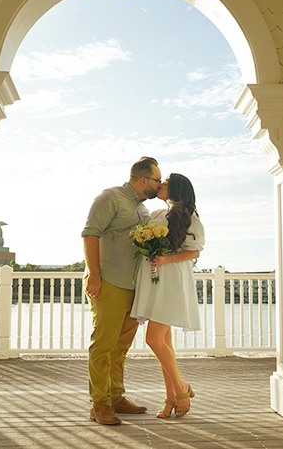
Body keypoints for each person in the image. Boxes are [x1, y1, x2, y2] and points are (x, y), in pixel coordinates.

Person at [82, 156, 161, 425]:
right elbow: (90, 233)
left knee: (121, 347)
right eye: (157, 180)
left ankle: (116, 397)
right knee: (103, 345)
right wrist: (94, 274)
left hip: (133, 286)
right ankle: (99, 404)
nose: (159, 185)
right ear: (143, 180)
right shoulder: (110, 198)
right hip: (109, 283)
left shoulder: (142, 208)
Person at [131, 173, 205, 419]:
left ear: (176, 189)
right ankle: (171, 396)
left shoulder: (187, 216)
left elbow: (194, 251)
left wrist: (165, 259)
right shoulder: (157, 214)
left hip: (171, 281)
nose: (160, 185)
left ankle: (181, 388)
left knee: (153, 339)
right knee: (166, 344)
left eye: (165, 183)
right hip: (155, 281)